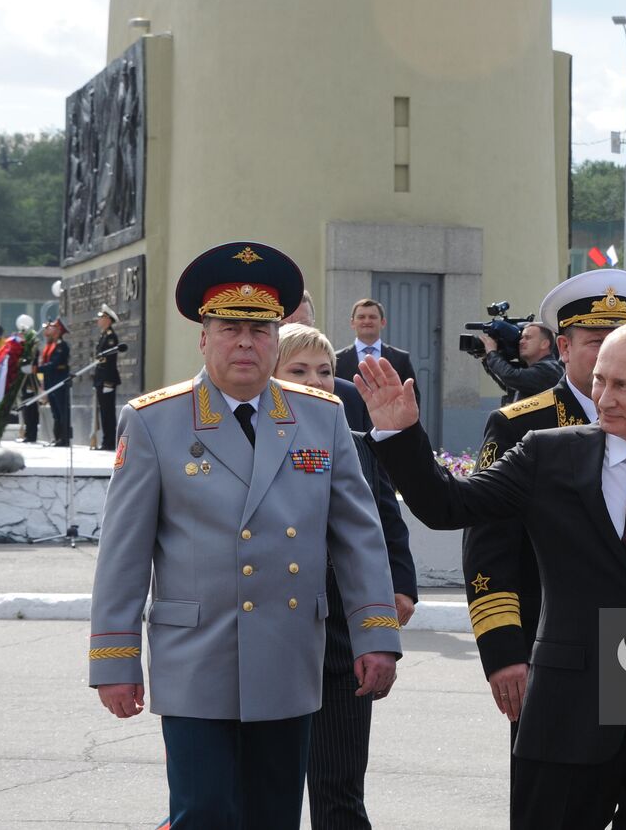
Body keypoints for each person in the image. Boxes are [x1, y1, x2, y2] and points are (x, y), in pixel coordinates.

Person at [359, 321, 626, 830]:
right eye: (599, 380)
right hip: (568, 717)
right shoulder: (546, 454)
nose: (603, 397)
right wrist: (399, 435)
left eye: (623, 385)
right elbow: (450, 504)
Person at [89, 241, 402, 827]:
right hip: (196, 656)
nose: (245, 343)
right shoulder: (156, 421)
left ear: (276, 339)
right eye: (229, 327)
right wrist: (115, 658)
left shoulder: (320, 415)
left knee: (273, 815)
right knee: (203, 811)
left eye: (260, 331)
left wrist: (375, 633)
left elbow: (359, 536)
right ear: (203, 337)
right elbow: (123, 554)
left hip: (287, 653)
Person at [461, 269, 626, 769]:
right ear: (563, 348)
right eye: (595, 340)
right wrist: (503, 651)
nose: (610, 352)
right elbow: (489, 549)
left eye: (622, 339)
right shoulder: (523, 425)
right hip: (554, 656)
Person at [274, 323, 418, 830]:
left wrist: (398, 589)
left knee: (339, 797)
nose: (316, 382)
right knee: (265, 798)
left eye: (325, 372)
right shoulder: (239, 442)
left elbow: (382, 523)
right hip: (266, 645)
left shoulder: (356, 444)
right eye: (298, 371)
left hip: (340, 643)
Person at [334, 298, 418, 425]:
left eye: (372, 317)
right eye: (361, 317)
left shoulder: (401, 359)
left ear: (383, 322)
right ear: (352, 323)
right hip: (349, 429)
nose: (367, 321)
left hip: (390, 430)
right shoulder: (337, 360)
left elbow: (412, 397)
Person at [481, 322, 565, 406]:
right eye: (521, 338)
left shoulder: (550, 370)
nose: (521, 342)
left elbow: (511, 376)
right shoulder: (539, 370)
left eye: (528, 338)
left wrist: (492, 353)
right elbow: (510, 385)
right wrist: (487, 359)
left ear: (544, 344)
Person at [38, 318, 72, 446]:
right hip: (51, 381)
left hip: (59, 381)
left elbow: (54, 364)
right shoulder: (52, 345)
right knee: (55, 412)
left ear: (58, 330)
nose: (49, 328)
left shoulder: (62, 346)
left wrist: (37, 369)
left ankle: (64, 438)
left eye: (53, 327)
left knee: (62, 411)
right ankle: (57, 437)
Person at [93, 304, 122, 451]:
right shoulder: (104, 336)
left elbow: (110, 362)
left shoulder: (111, 337)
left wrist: (108, 382)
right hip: (101, 379)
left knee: (108, 413)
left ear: (108, 320)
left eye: (101, 317)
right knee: (104, 413)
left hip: (107, 380)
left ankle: (110, 441)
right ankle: (106, 440)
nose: (99, 320)